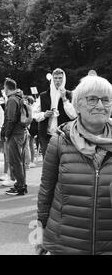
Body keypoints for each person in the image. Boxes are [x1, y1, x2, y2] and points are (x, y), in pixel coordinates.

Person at [37, 75, 112, 255]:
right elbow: (46, 191)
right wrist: (40, 233)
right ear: (77, 105)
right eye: (92, 99)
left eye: (106, 100)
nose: (100, 106)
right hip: (65, 242)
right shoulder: (60, 141)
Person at [33, 68, 77, 159]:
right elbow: (34, 114)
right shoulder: (43, 95)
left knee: (63, 161)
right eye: (55, 78)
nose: (58, 81)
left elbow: (73, 115)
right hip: (46, 135)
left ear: (63, 79)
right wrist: (44, 115)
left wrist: (64, 99)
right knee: (48, 162)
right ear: (52, 79)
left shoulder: (69, 94)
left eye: (60, 78)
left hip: (64, 135)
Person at [1, 78, 27, 196]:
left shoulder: (12, 100)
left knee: (15, 161)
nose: (3, 89)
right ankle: (21, 185)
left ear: (7, 87)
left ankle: (20, 186)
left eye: (4, 87)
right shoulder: (18, 97)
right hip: (20, 132)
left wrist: (6, 134)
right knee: (18, 161)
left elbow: (10, 119)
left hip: (15, 134)